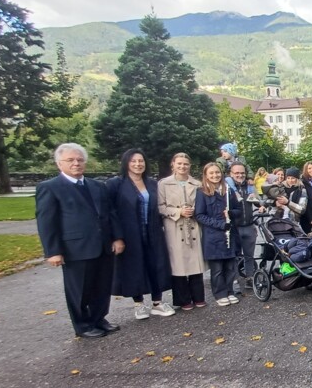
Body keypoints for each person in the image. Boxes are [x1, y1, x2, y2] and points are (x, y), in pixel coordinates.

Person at [36, 143, 125, 338]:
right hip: (75, 248)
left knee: (102, 286)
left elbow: (110, 214)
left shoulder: (97, 186)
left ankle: (99, 318)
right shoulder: (50, 188)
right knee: (80, 289)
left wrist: (117, 237)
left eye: (79, 160)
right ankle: (83, 325)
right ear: (60, 163)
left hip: (103, 245)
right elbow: (46, 222)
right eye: (70, 160)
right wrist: (52, 251)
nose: (76, 163)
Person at [105, 149, 174, 320]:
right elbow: (110, 212)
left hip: (152, 231)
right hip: (129, 234)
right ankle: (139, 304)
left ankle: (157, 302)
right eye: (133, 161)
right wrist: (116, 237)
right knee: (135, 267)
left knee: (155, 264)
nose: (138, 164)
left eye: (141, 161)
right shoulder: (116, 184)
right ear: (126, 163)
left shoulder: (151, 183)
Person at [158, 152, 206, 310]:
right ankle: (183, 299)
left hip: (193, 226)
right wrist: (177, 212)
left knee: (195, 262)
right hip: (175, 227)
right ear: (173, 165)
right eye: (179, 163)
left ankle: (198, 296)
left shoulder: (197, 184)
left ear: (190, 166)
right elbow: (160, 206)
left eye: (185, 164)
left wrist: (195, 210)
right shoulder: (164, 184)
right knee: (178, 264)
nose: (182, 167)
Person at [195, 162, 241, 307]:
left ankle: (229, 291)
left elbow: (238, 209)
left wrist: (231, 213)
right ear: (206, 176)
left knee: (230, 267)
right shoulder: (202, 192)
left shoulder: (228, 191)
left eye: (217, 172)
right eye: (211, 173)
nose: (215, 175)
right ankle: (220, 293)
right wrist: (220, 224)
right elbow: (200, 215)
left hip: (230, 235)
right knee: (217, 269)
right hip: (213, 237)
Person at [227, 162, 259, 292]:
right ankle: (234, 281)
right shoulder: (227, 188)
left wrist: (261, 206)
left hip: (249, 225)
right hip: (234, 227)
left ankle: (249, 278)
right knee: (233, 256)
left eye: (242, 173)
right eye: (237, 173)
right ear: (231, 174)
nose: (240, 175)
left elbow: (257, 202)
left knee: (249, 255)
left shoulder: (250, 186)